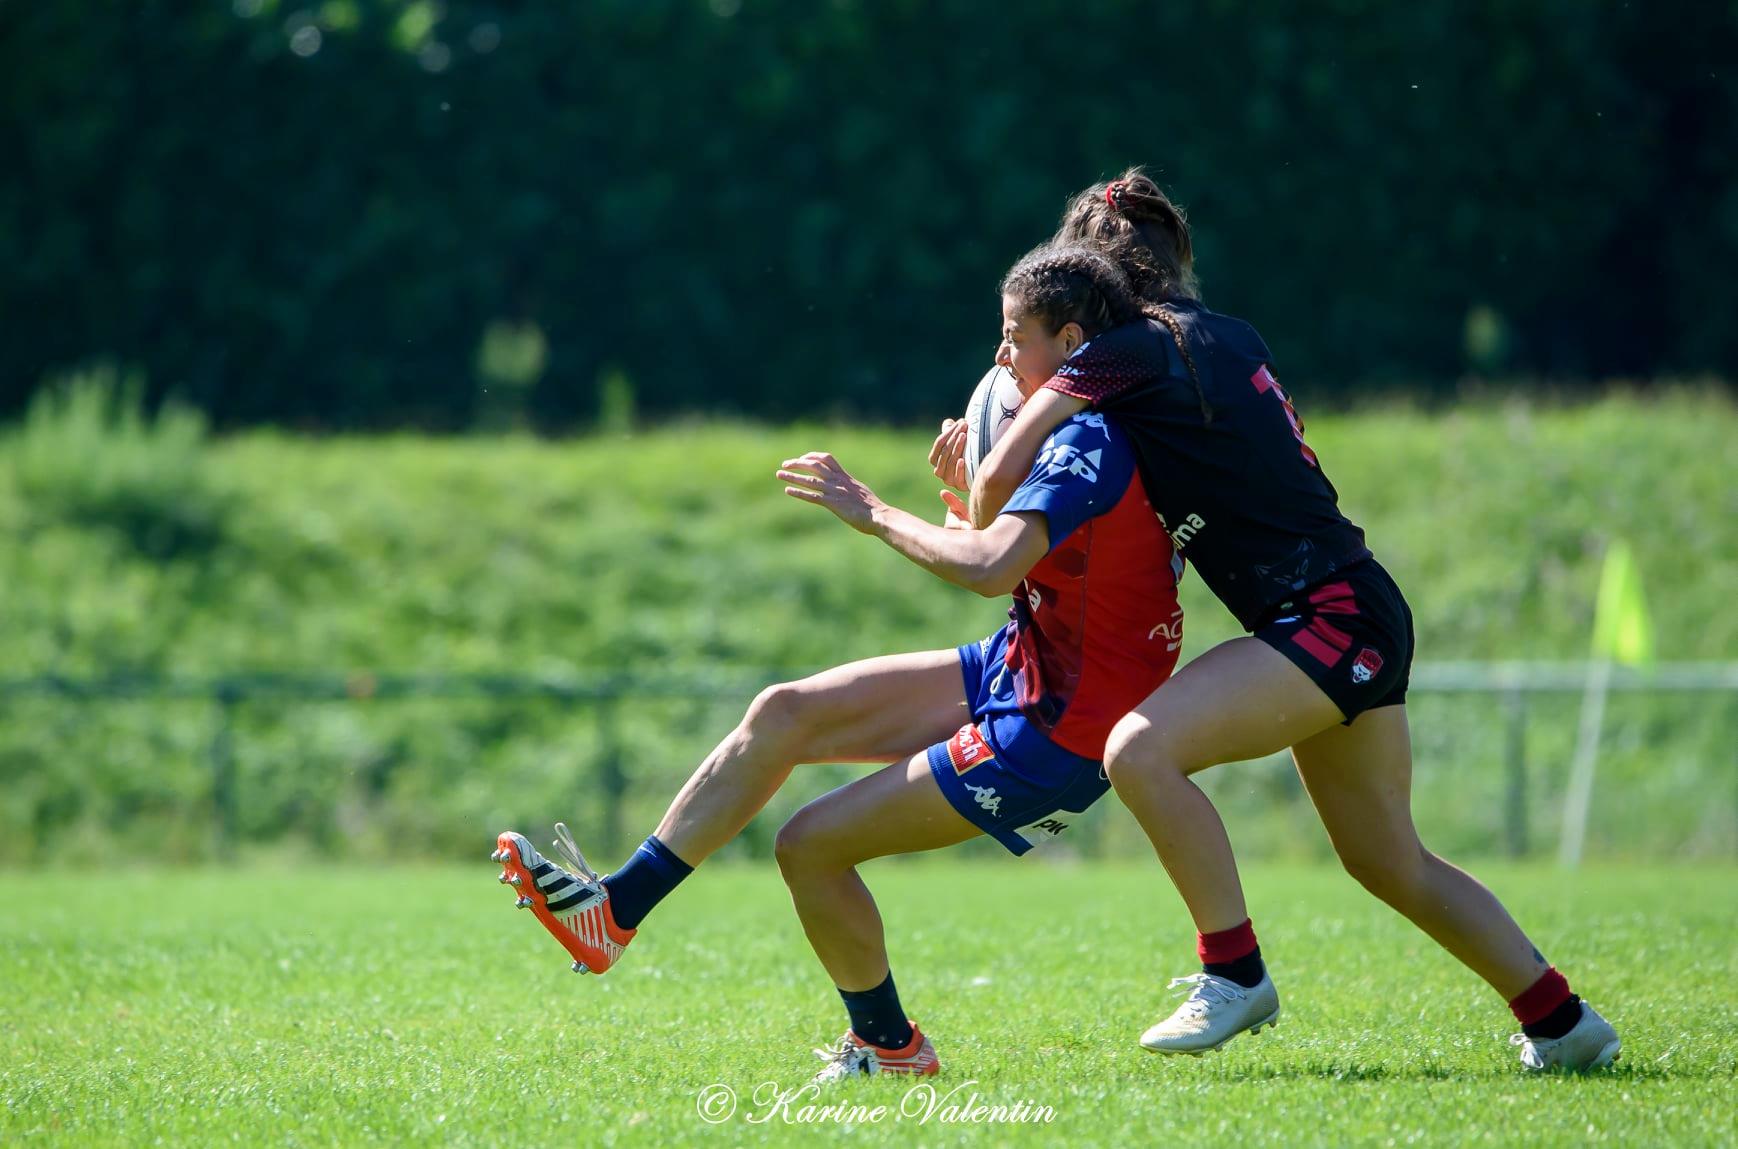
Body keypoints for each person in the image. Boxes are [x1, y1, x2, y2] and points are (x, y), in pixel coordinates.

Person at [946, 168, 1620, 1072]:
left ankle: (1234, 972)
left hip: (1323, 615)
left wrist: (978, 467)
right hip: (1358, 604)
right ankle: (1564, 1022)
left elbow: (998, 487)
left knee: (1138, 749)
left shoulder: (1125, 352)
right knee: (1387, 858)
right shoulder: (1224, 335)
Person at [492, 246, 1186, 1081]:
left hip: (1058, 726)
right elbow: (1035, 564)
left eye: (1014, 336)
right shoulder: (1079, 430)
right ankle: (615, 910)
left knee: (809, 846)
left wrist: (875, 512)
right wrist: (972, 506)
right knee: (784, 711)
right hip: (1027, 665)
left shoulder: (1090, 438)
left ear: (1071, 342)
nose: (1001, 356)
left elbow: (988, 569)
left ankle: (889, 1047)